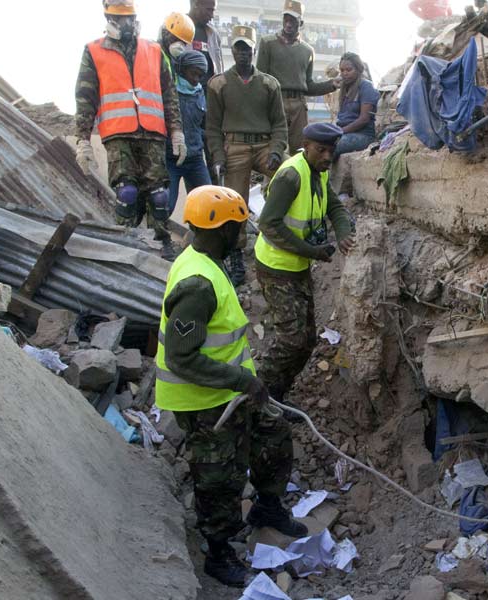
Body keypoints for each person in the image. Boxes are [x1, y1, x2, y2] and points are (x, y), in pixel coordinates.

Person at [155, 185, 308, 588]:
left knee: (273, 432)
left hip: (229, 390)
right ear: (218, 228)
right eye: (238, 227)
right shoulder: (197, 284)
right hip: (202, 399)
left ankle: (267, 508)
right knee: (219, 476)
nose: (243, 235)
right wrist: (242, 379)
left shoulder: (208, 260)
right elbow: (181, 358)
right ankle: (218, 554)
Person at [254, 123, 356, 403]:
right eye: (321, 150)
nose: (327, 157)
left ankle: (276, 394)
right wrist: (312, 251)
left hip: (297, 267)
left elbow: (334, 206)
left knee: (307, 340)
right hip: (275, 268)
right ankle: (258, 393)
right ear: (306, 145)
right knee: (291, 340)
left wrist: (345, 234)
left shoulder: (318, 172)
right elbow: (269, 224)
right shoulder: (291, 176)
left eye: (331, 151)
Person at [74, 0, 184, 259]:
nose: (125, 25)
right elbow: (85, 97)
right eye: (119, 19)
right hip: (118, 134)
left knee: (159, 195)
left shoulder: (155, 51)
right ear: (108, 18)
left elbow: (170, 94)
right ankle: (124, 241)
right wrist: (82, 140)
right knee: (127, 192)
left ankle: (161, 242)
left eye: (129, 18)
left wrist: (176, 131)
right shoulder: (94, 51)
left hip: (152, 133)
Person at [206, 24, 288, 286]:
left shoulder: (268, 83)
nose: (243, 54)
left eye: (248, 49)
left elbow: (279, 124)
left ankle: (285, 233)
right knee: (233, 202)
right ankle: (236, 253)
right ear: (232, 50)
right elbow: (212, 126)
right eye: (239, 48)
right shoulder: (218, 84)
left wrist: (276, 151)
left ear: (254, 52)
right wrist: (218, 155)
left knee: (289, 176)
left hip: (264, 144)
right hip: (235, 145)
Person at [256, 0, 339, 155]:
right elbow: (260, 79)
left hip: (299, 105)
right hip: (276, 101)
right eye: (285, 19)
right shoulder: (267, 43)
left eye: (292, 20)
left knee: (300, 150)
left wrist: (332, 84)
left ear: (300, 22)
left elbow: (308, 85)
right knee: (272, 151)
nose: (288, 24)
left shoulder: (307, 50)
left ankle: (299, 179)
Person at [167, 51, 212, 215]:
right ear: (182, 69)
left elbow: (202, 124)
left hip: (195, 159)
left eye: (200, 76)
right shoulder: (169, 90)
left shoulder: (200, 93)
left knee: (207, 203)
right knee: (166, 205)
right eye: (193, 74)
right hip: (171, 159)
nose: (196, 80)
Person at [334, 52, 380, 159]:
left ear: (358, 70)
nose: (345, 73)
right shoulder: (345, 89)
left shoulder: (366, 87)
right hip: (344, 133)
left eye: (349, 70)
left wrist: (340, 132)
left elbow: (364, 119)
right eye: (342, 70)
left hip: (363, 136)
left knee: (332, 146)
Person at [188, 0, 223, 88]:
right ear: (196, 4)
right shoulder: (173, 28)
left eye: (213, 10)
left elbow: (219, 69)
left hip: (208, 96)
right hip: (184, 96)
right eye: (209, 10)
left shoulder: (214, 34)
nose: (212, 16)